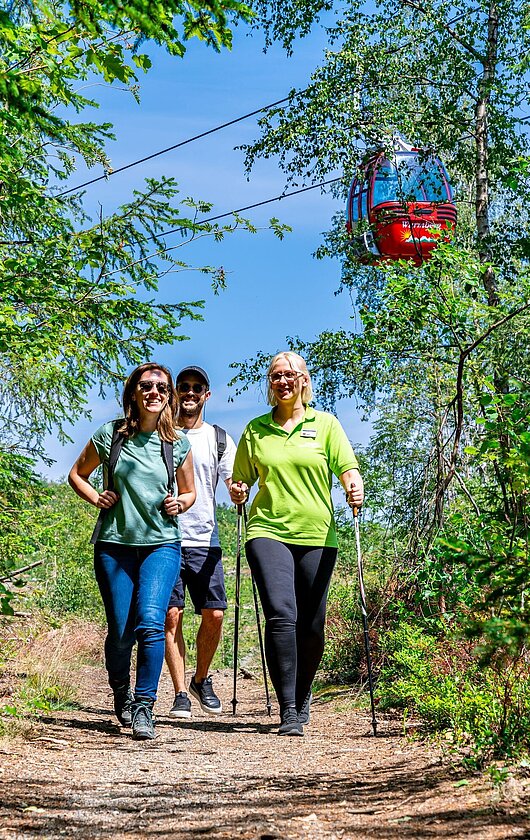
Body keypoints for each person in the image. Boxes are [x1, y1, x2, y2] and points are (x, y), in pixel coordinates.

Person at [229, 351, 364, 737]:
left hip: (318, 535)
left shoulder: (326, 425)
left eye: (290, 375)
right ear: (270, 385)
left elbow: (348, 469)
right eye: (275, 376)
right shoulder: (255, 430)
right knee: (281, 614)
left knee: (312, 624)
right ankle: (288, 708)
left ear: (304, 380)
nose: (283, 381)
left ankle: (303, 694)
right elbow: (241, 481)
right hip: (267, 531)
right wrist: (238, 491)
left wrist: (354, 488)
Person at [68, 362, 196, 741]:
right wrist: (96, 497)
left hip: (162, 544)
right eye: (146, 386)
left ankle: (144, 706)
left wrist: (181, 504)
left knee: (151, 622)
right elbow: (77, 474)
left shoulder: (177, 443)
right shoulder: (111, 435)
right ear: (133, 394)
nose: (154, 392)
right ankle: (121, 690)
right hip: (115, 546)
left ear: (168, 395)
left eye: (161, 387)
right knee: (122, 631)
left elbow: (189, 492)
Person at [165, 365, 236, 718]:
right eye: (184, 387)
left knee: (216, 613)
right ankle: (179, 692)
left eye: (197, 388)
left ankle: (201, 678)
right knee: (171, 616)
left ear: (206, 395)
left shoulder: (219, 438)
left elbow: (234, 483)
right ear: (175, 393)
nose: (190, 393)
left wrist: (239, 491)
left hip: (205, 539)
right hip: (163, 538)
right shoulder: (161, 434)